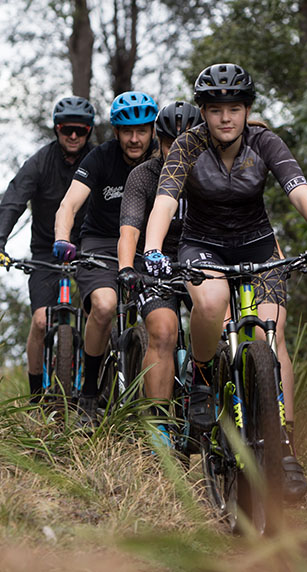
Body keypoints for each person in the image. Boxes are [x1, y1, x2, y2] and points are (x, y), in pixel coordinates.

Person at [142, 63, 307, 500]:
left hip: (258, 246)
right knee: (212, 303)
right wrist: (154, 249)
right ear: (203, 113)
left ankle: (285, 447)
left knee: (271, 336)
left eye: (234, 108)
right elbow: (164, 200)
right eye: (216, 110)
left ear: (247, 109)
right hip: (202, 245)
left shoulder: (265, 141)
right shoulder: (187, 145)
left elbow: (299, 191)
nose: (226, 118)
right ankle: (200, 378)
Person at [53, 91, 158, 423]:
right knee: (103, 305)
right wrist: (61, 238)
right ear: (116, 132)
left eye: (142, 130)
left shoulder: (162, 159)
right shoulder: (99, 158)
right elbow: (68, 205)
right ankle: (87, 393)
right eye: (127, 131)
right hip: (99, 243)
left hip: (144, 245)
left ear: (153, 130)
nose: (135, 138)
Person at [0, 96, 96, 403]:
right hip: (46, 252)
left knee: (99, 314)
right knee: (40, 321)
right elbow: (13, 201)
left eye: (80, 130)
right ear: (56, 129)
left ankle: (95, 389)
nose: (73, 136)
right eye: (66, 129)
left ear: (89, 130)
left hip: (89, 248)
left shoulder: (98, 159)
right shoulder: (39, 163)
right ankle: (36, 395)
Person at [117, 101, 202, 441]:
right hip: (157, 264)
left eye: (189, 141)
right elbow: (130, 231)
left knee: (223, 323)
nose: (179, 149)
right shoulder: (143, 176)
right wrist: (126, 267)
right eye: (171, 143)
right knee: (165, 331)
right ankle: (159, 430)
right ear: (159, 141)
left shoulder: (216, 174)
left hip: (202, 259)